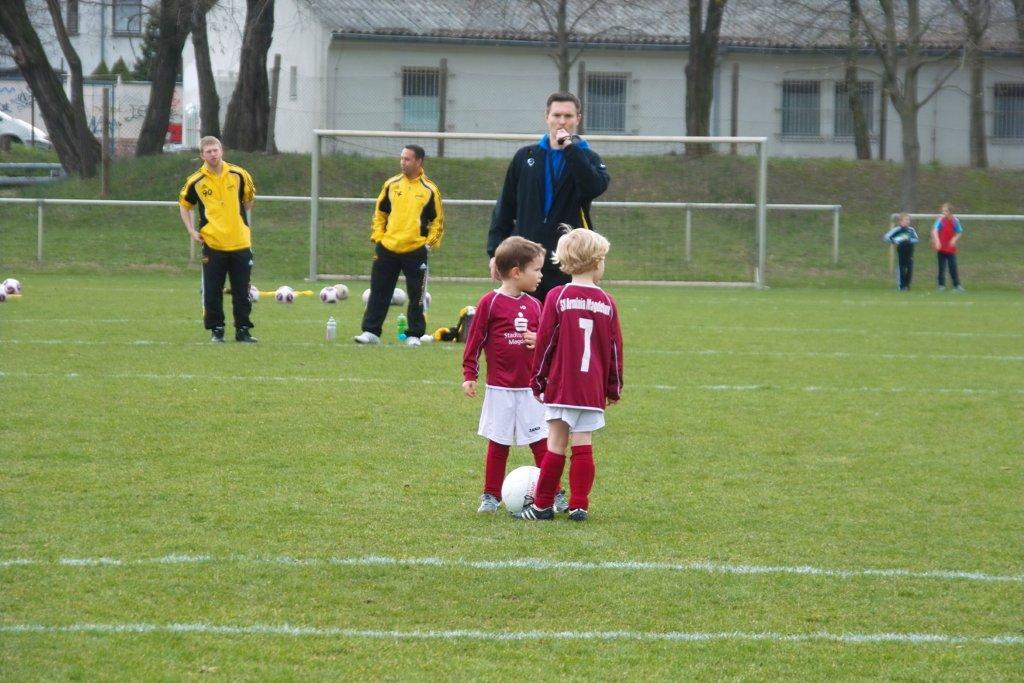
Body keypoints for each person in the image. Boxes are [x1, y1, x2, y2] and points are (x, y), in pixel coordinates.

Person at [515, 227, 623, 522]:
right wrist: (613, 387)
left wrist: (538, 379)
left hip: (562, 386)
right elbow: (614, 348)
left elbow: (546, 342)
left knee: (556, 444)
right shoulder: (607, 302)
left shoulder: (557, 296)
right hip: (591, 389)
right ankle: (579, 505)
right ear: (596, 262)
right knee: (583, 444)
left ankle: (542, 506)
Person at [462, 236, 567, 514]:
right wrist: (470, 373)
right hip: (500, 389)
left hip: (531, 389)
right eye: (537, 269)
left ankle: (555, 493)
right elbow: (475, 341)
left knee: (541, 443)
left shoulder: (535, 305)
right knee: (498, 443)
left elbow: (548, 343)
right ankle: (490, 495)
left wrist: (538, 340)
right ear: (516, 272)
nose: (541, 275)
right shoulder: (490, 302)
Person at [488, 92, 610, 302]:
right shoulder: (525, 156)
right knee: (523, 320)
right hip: (525, 259)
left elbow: (594, 187)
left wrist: (571, 148)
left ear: (578, 119)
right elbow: (505, 208)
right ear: (547, 117)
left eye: (568, 116)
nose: (562, 121)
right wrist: (495, 253)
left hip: (567, 259)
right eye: (556, 115)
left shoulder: (587, 158)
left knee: (561, 319)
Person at [354, 145, 445, 346]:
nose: (402, 162)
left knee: (417, 295)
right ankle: (371, 332)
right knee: (379, 291)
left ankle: (414, 335)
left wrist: (428, 245)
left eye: (407, 159)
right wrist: (378, 237)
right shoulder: (391, 184)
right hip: (387, 248)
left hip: (415, 250)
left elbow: (437, 222)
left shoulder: (430, 190)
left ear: (419, 162)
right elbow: (380, 213)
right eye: (401, 158)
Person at [178, 136, 258, 343]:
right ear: (202, 155)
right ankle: (217, 330)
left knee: (242, 290)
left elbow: (248, 200)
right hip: (213, 244)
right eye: (208, 151)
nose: (213, 154)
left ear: (221, 151)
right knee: (212, 291)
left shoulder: (239, 174)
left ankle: (243, 330)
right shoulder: (196, 181)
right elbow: (184, 205)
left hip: (240, 242)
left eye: (216, 150)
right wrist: (191, 231)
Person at [932, 203, 965, 292]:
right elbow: (935, 230)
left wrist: (954, 239)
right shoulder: (940, 220)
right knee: (941, 267)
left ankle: (956, 285)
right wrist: (937, 241)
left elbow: (959, 232)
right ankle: (941, 285)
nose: (943, 213)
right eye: (943, 211)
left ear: (950, 212)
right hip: (941, 248)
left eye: (945, 211)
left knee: (953, 266)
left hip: (950, 248)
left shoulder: (955, 221)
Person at [883, 212, 919, 291]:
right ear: (900, 221)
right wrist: (895, 240)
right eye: (905, 220)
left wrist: (909, 240)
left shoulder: (911, 230)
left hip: (910, 252)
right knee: (901, 268)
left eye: (908, 220)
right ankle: (901, 286)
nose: (907, 221)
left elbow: (916, 239)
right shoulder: (897, 230)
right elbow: (886, 237)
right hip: (901, 251)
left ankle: (907, 285)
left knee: (910, 269)